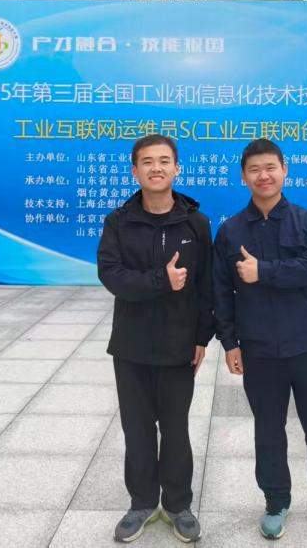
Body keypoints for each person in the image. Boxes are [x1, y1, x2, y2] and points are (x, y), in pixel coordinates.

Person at [212, 138, 307, 542]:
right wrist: (229, 342)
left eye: (270, 167)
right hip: (259, 350)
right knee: (268, 430)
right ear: (243, 177)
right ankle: (276, 501)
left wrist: (264, 271)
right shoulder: (230, 231)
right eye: (255, 169)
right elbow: (220, 290)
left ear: (284, 171)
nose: (264, 176)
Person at [97, 135, 214, 543]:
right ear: (135, 171)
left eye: (164, 160)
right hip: (130, 346)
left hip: (179, 346)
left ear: (177, 168)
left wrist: (202, 337)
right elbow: (112, 276)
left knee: (176, 430)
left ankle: (178, 504)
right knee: (137, 429)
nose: (156, 168)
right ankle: (142, 502)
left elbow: (206, 286)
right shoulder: (118, 221)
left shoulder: (196, 224)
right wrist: (160, 280)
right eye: (147, 161)